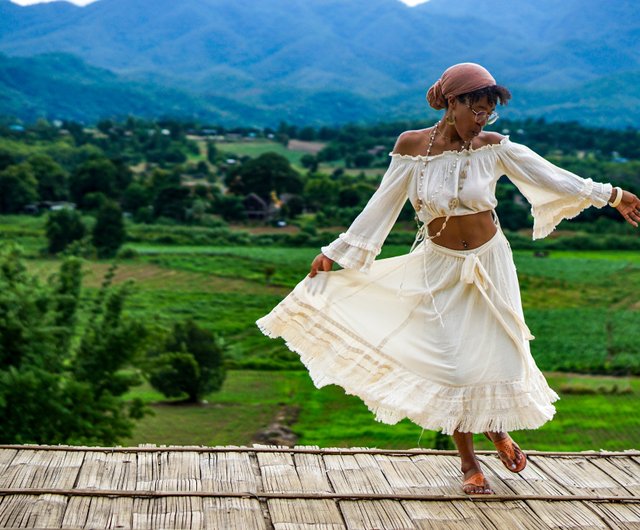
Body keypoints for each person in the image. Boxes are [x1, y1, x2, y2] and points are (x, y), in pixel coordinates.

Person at [256, 63, 640, 495]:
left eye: (489, 113)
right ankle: (469, 464)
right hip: (437, 267)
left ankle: (497, 430)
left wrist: (615, 196)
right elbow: (382, 204)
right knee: (453, 365)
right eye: (476, 109)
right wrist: (335, 252)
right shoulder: (413, 147)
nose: (482, 120)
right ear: (452, 103)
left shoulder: (494, 147)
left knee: (497, 354)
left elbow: (555, 178)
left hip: (490, 263)